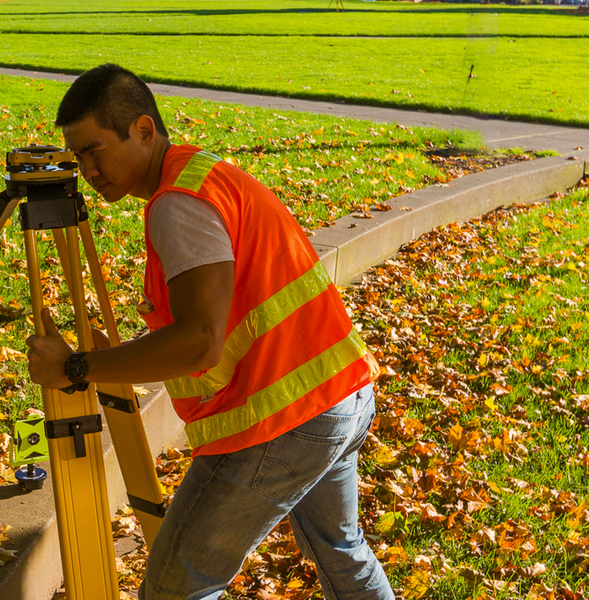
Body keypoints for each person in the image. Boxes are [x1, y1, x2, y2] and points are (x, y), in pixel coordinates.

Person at [26, 63, 394, 600]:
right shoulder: (202, 175)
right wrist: (119, 356)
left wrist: (77, 368)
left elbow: (201, 342)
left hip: (280, 419)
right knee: (342, 552)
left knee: (177, 587)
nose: (87, 169)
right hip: (339, 393)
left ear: (144, 131)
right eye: (77, 156)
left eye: (95, 151)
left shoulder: (178, 205)